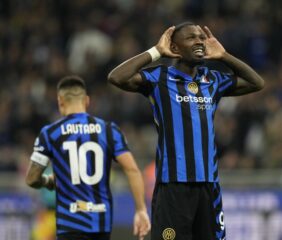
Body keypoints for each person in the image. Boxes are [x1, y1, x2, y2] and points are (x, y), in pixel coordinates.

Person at [108, 22, 264, 240]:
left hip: (208, 186)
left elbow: (256, 83)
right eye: (191, 38)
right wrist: (155, 52)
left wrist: (224, 56)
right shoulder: (159, 78)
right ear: (174, 47)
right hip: (173, 185)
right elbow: (116, 77)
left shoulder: (212, 80)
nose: (199, 41)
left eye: (201, 37)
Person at [25, 76, 151, 240]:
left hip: (69, 224)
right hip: (100, 224)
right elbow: (132, 170)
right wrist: (141, 209)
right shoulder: (109, 130)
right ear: (87, 101)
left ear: (60, 101)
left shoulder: (50, 133)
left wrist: (48, 182)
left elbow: (32, 179)